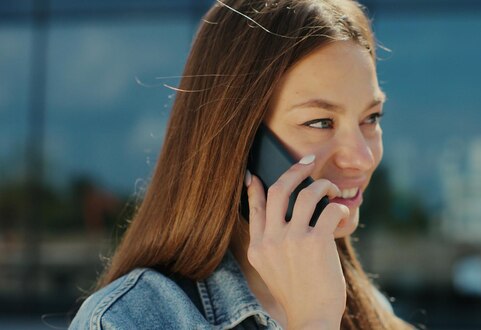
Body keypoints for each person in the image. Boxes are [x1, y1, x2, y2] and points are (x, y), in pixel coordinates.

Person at [70, 0, 414, 329]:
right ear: (243, 144)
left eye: (371, 117)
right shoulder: (127, 321)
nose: (362, 158)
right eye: (320, 122)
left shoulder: (368, 310)